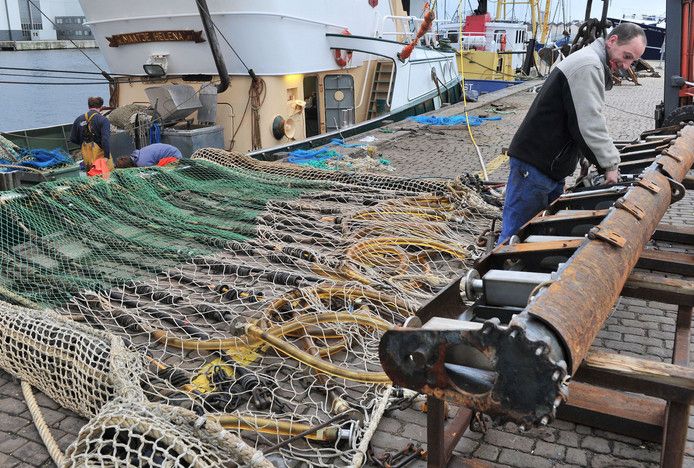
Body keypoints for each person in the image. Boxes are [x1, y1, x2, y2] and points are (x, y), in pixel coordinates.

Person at [498, 23, 646, 245]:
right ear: (612, 40)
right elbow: (589, 122)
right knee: (515, 238)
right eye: (626, 56)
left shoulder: (592, 62)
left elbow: (578, 120)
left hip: (549, 167)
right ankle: (494, 276)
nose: (625, 65)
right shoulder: (589, 65)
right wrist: (610, 166)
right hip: (534, 166)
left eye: (631, 61)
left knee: (540, 235)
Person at [69, 97, 111, 171]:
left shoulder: (78, 119)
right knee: (106, 176)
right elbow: (105, 139)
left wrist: (84, 144)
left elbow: (73, 139)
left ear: (89, 106)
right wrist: (106, 156)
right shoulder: (103, 120)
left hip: (87, 157)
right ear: (101, 107)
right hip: (101, 157)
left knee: (91, 175)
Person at [115, 143, 183, 168]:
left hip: (174, 157)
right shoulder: (136, 154)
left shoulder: (141, 163)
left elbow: (151, 171)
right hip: (172, 150)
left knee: (158, 170)